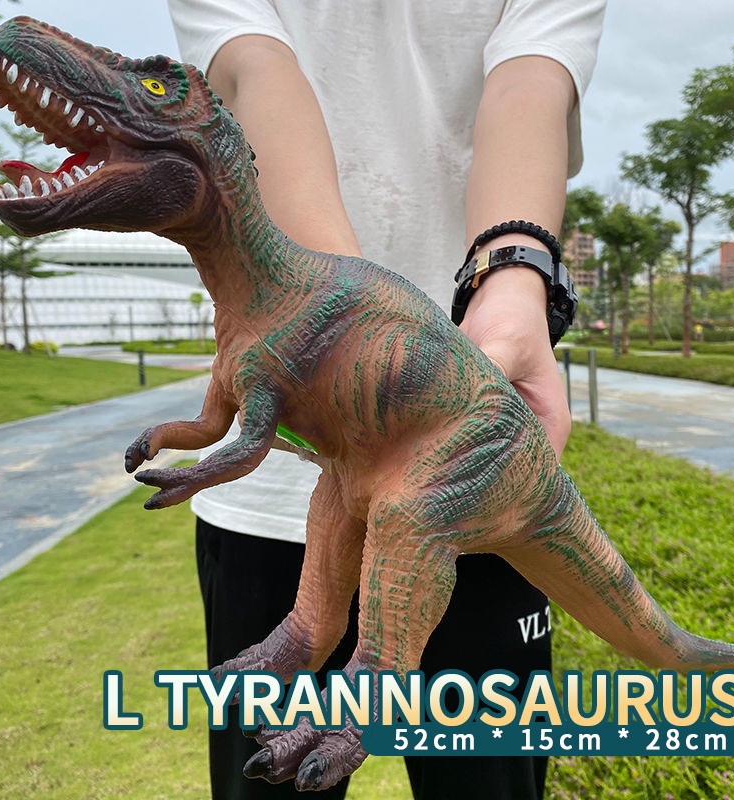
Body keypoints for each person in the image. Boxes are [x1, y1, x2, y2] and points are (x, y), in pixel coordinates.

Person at [166, 2, 606, 798]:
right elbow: (254, 68)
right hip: (275, 504)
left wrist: (513, 280)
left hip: (479, 448)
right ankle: (319, 645)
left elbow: (530, 80)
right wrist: (340, 342)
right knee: (338, 516)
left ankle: (366, 688)